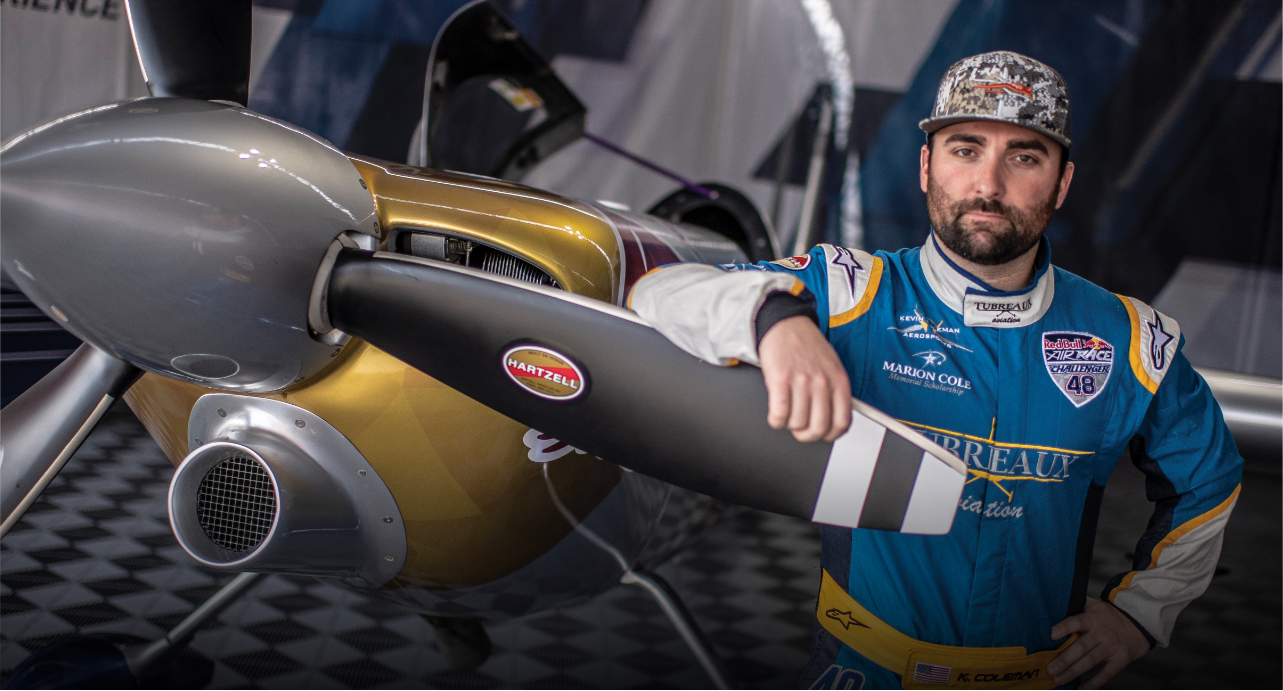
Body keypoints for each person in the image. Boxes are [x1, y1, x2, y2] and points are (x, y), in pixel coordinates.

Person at [629, 51, 1243, 689]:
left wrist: (1141, 615)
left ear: (1062, 184)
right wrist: (775, 320)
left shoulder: (1131, 339)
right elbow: (661, 291)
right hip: (860, 670)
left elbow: (1210, 477)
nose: (988, 185)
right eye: (965, 150)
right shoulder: (852, 294)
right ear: (927, 167)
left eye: (1025, 157)